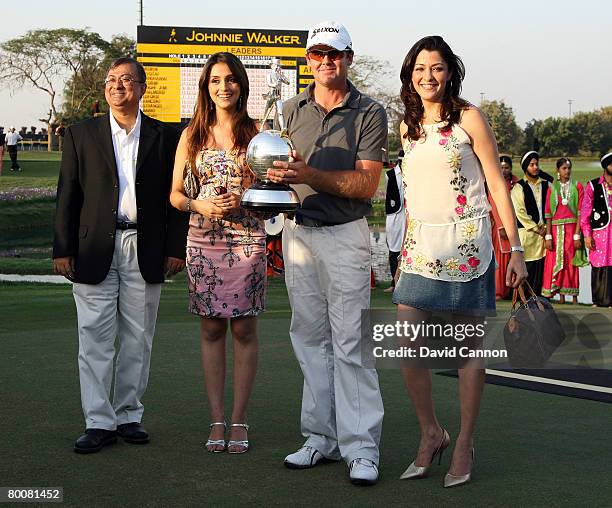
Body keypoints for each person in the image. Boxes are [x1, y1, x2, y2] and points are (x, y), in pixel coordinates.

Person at [394, 35, 527, 488]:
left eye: (436, 67)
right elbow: (412, 195)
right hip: (418, 248)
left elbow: (495, 183)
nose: (427, 76)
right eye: (419, 69)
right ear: (410, 75)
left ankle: (465, 441)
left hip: (468, 245)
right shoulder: (406, 126)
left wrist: (517, 249)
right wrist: (402, 251)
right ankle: (432, 432)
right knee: (407, 343)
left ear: (450, 71)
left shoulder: (469, 117)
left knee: (469, 351)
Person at [266, 20, 387, 485]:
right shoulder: (289, 110)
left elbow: (367, 183)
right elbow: (278, 171)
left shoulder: (370, 111)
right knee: (309, 339)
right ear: (309, 60)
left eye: (334, 54)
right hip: (298, 234)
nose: (325, 61)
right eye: (317, 54)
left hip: (345, 234)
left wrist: (309, 174)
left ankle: (362, 448)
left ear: (349, 58)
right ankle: (320, 437)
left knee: (351, 341)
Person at [53, 57, 189, 454]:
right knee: (94, 337)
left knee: (138, 338)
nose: (117, 86)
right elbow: (68, 194)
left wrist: (175, 248)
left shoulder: (166, 136)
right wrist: (63, 248)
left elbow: (174, 199)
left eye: (127, 80)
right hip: (93, 247)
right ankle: (98, 421)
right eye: (111, 80)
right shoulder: (81, 134)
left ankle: (129, 415)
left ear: (142, 88)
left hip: (144, 247)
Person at [169, 52, 266, 454]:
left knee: (243, 328)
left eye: (230, 79)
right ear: (205, 87)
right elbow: (175, 195)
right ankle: (216, 419)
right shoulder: (192, 134)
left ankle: (240, 419)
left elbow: (274, 192)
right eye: (214, 80)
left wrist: (246, 195)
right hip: (203, 240)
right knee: (211, 328)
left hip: (247, 239)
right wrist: (200, 206)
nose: (223, 86)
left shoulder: (259, 133)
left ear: (241, 84)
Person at [541, 158, 583, 303]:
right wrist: (548, 237)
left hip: (572, 230)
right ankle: (561, 296)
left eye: (569, 168)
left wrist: (577, 235)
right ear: (558, 170)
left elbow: (580, 212)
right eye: (564, 168)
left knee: (571, 262)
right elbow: (547, 213)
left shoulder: (577, 186)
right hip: (555, 230)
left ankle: (574, 298)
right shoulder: (552, 188)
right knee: (557, 261)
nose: (567, 171)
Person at [511, 151, 548, 295]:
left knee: (541, 269)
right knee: (528, 268)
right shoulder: (518, 188)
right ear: (525, 167)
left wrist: (546, 230)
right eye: (531, 165)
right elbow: (520, 213)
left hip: (543, 237)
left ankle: (539, 299)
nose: (535, 167)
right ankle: (524, 301)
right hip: (527, 235)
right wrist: (537, 229)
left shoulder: (546, 185)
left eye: (537, 164)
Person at [580, 152, 612, 307]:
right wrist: (587, 235)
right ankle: (598, 301)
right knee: (598, 265)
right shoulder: (593, 185)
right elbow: (585, 213)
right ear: (606, 166)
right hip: (599, 234)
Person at [489, 155, 519, 299]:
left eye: (507, 168)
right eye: (501, 168)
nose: (504, 170)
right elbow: (494, 204)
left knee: (513, 256)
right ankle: (499, 290)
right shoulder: (494, 184)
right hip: (499, 226)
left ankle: (511, 290)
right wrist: (501, 226)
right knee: (501, 258)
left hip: (515, 225)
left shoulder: (516, 183)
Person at [384, 150, 406, 293]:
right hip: (395, 217)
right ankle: (394, 282)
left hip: (409, 214)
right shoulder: (389, 175)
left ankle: (405, 283)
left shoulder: (414, 174)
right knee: (394, 249)